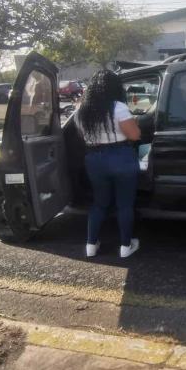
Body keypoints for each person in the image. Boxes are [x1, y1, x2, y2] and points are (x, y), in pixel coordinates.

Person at [75, 70, 141, 258]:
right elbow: (134, 135)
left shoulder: (82, 109)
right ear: (114, 87)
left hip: (94, 159)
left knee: (99, 203)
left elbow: (82, 136)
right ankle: (126, 247)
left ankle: (90, 245)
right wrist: (134, 123)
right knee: (125, 205)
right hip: (121, 156)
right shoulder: (118, 107)